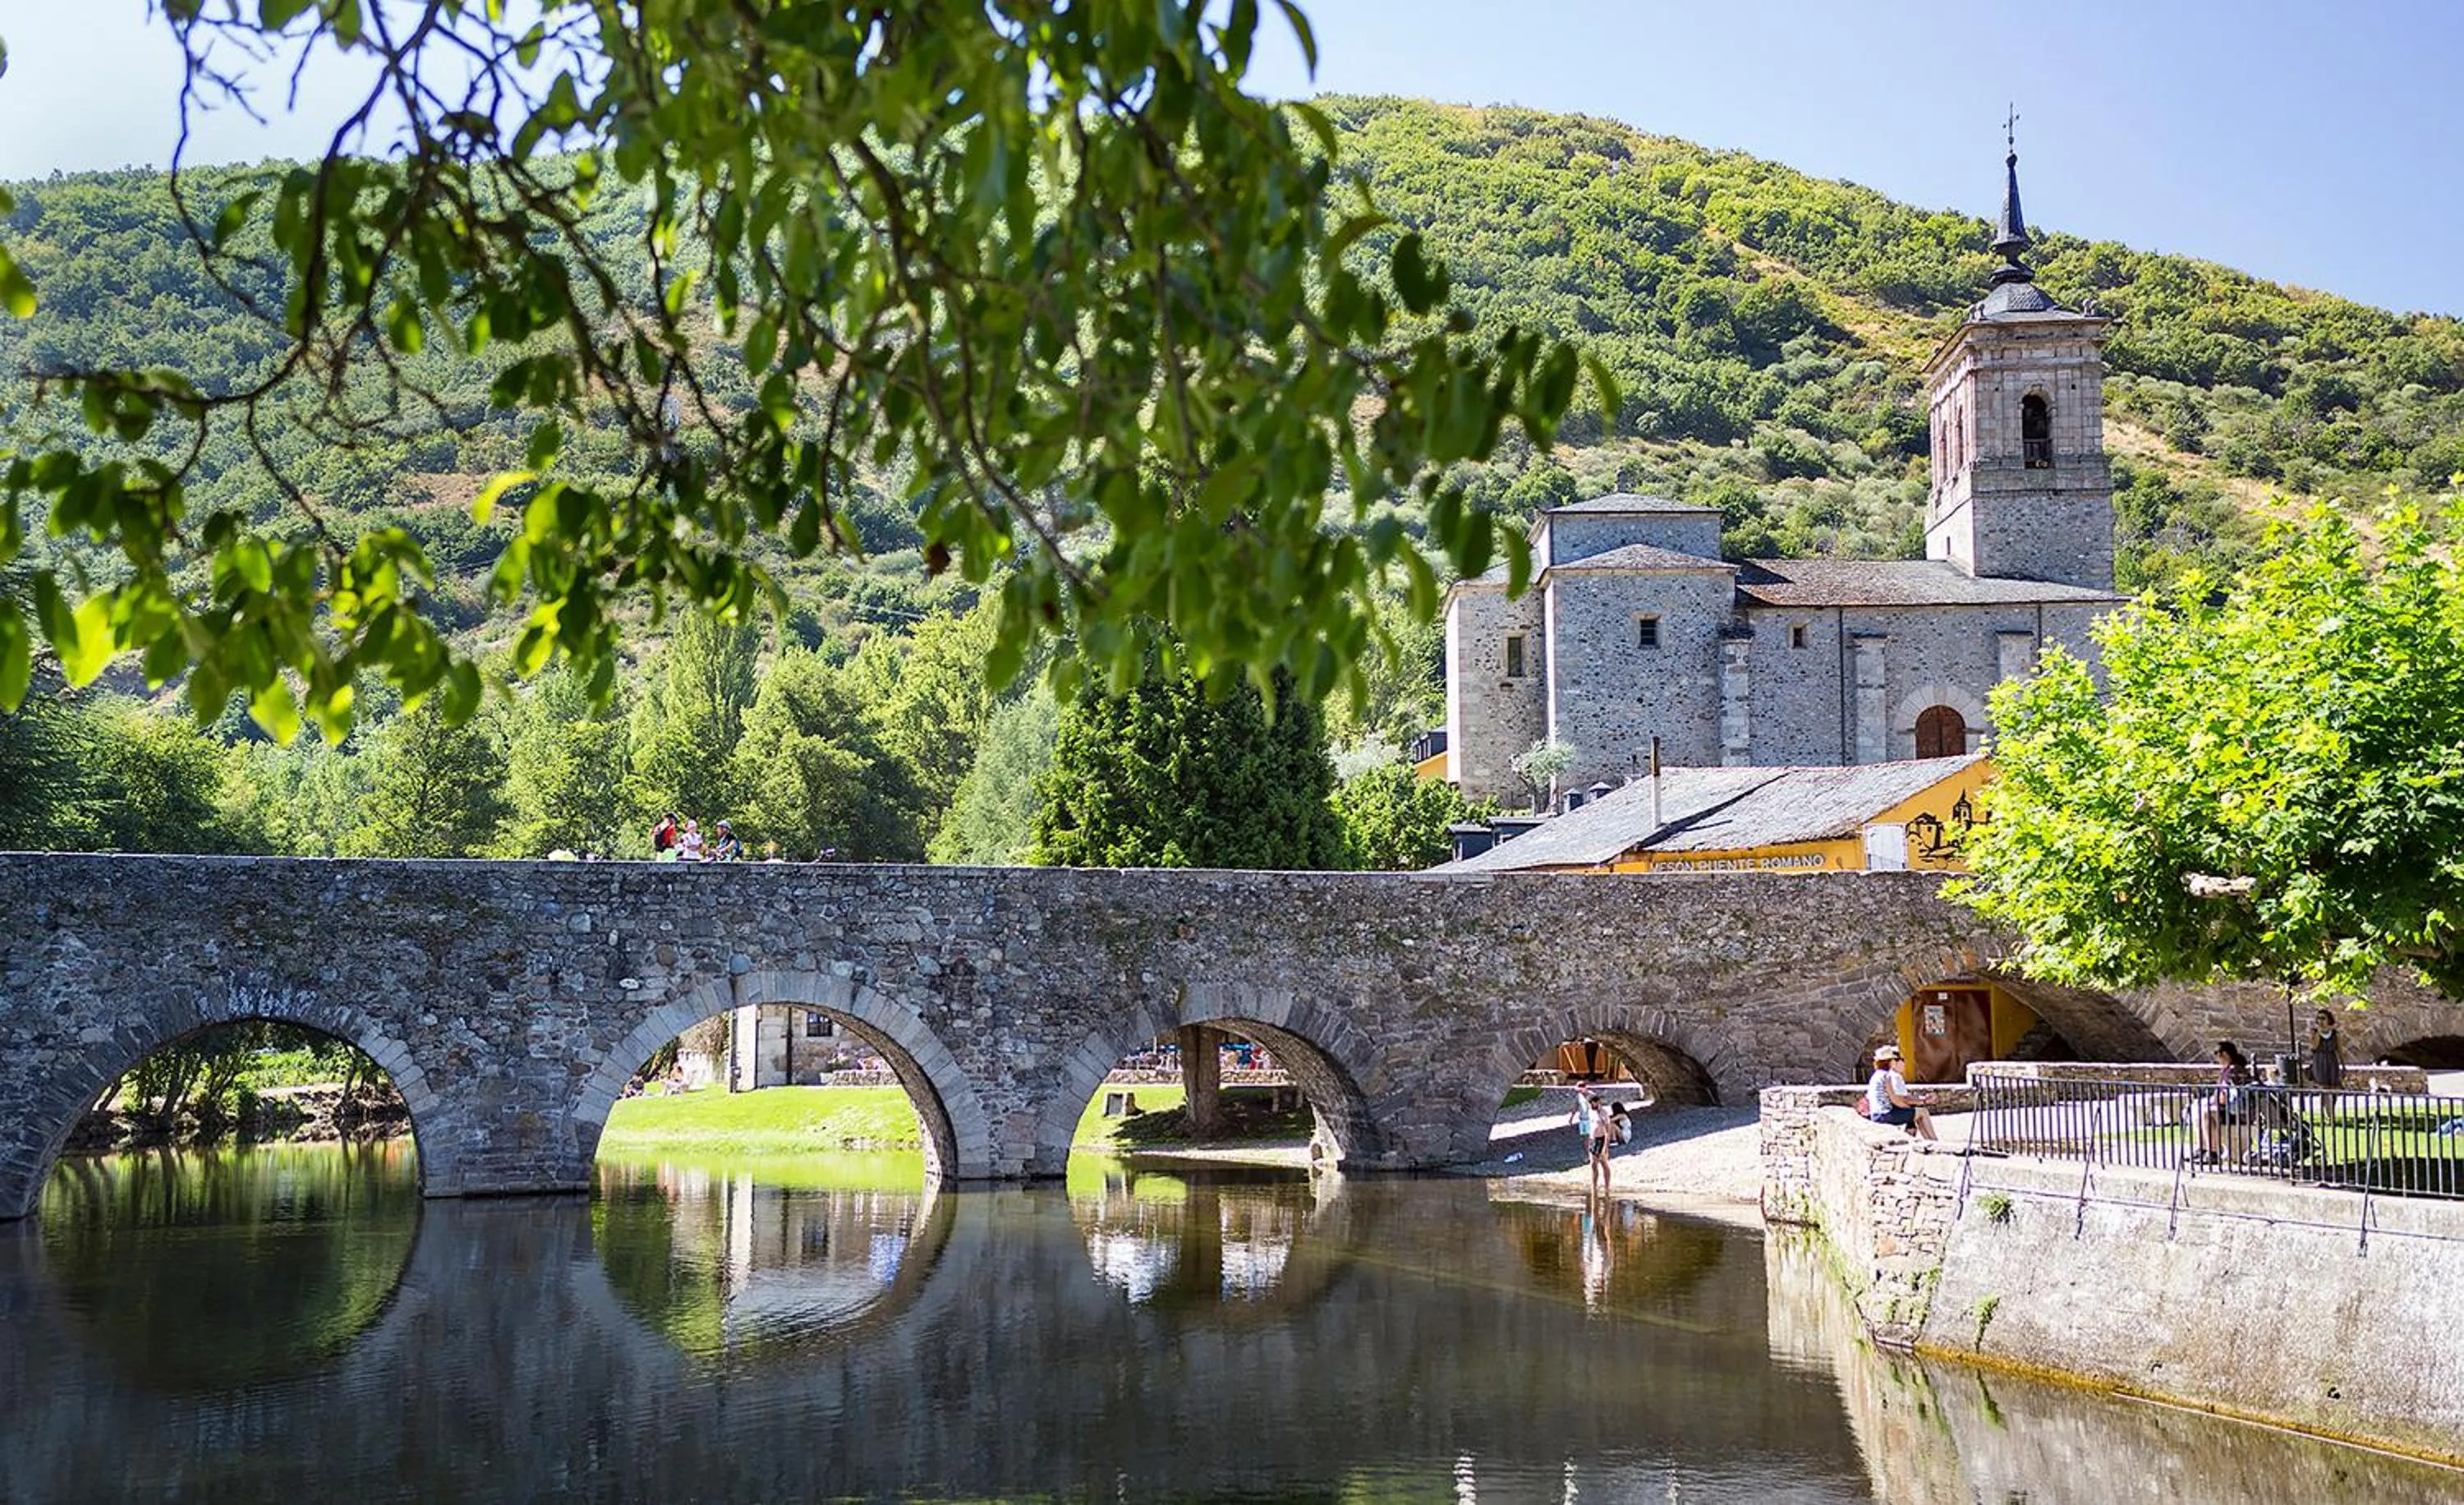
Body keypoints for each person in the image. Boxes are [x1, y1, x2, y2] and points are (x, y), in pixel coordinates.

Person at [2190, 1040, 2254, 1163]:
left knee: (2206, 1114)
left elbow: (2227, 1097)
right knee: (2197, 1109)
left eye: (2218, 1055)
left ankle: (2212, 1152)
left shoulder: (2235, 1071)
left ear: (2225, 1054)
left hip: (2237, 1111)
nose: (2217, 1059)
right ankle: (2202, 1148)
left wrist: (2214, 1101)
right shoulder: (2227, 1070)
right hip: (2228, 1108)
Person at [1865, 1046, 1938, 1144]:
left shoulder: (1876, 1076)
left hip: (1877, 1114)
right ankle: (1934, 1141)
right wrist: (1915, 1105)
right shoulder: (1886, 1076)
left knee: (1917, 1113)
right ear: (1889, 1061)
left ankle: (1930, 1142)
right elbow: (1895, 1099)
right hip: (1885, 1115)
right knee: (1922, 1112)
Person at [1585, 1089, 1616, 1196]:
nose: (1591, 1105)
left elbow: (1608, 1130)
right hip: (1593, 1139)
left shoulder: (1603, 1113)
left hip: (1601, 1139)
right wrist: (1589, 1142)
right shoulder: (1590, 1112)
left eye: (1592, 1103)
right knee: (1593, 1164)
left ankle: (1607, 1186)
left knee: (1603, 1163)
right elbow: (1590, 1128)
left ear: (1597, 1102)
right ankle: (1594, 1186)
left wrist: (1606, 1147)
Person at [2309, 1010, 2345, 1090]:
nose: (2320, 1021)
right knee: (2322, 1086)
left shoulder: (2335, 1034)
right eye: (2318, 1018)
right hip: (2319, 1061)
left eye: (2323, 1018)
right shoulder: (2314, 1033)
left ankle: (2332, 1102)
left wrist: (2343, 1065)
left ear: (2328, 1020)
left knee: (2333, 1085)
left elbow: (2339, 1050)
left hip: (2332, 1060)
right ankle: (2324, 1102)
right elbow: (2314, 1046)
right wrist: (2319, 1032)